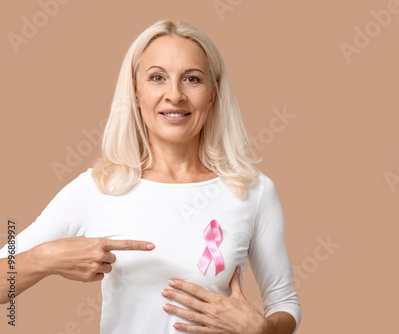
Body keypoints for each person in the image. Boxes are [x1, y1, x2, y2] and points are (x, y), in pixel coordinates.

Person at [0, 20, 301, 334]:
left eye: (192, 79)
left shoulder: (253, 191)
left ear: (212, 95)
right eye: (157, 77)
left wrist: (263, 330)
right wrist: (44, 259)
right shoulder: (97, 188)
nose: (175, 95)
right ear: (135, 92)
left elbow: (285, 303)